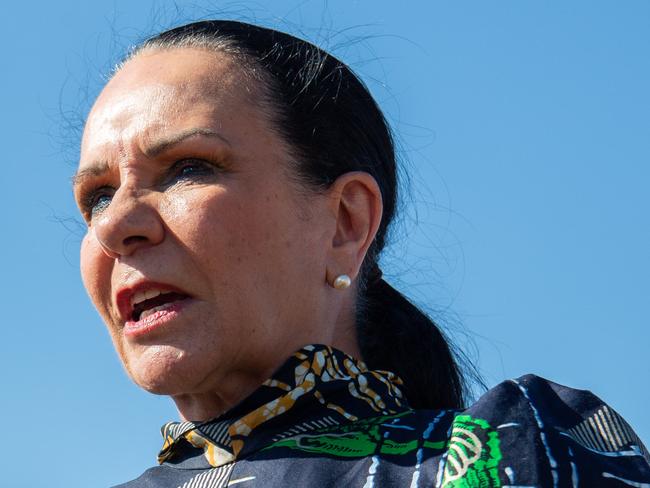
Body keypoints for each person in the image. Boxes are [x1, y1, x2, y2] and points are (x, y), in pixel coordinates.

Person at [73, 20, 649, 487]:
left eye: (188, 168)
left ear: (346, 223)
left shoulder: (496, 461)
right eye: (97, 197)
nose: (116, 224)